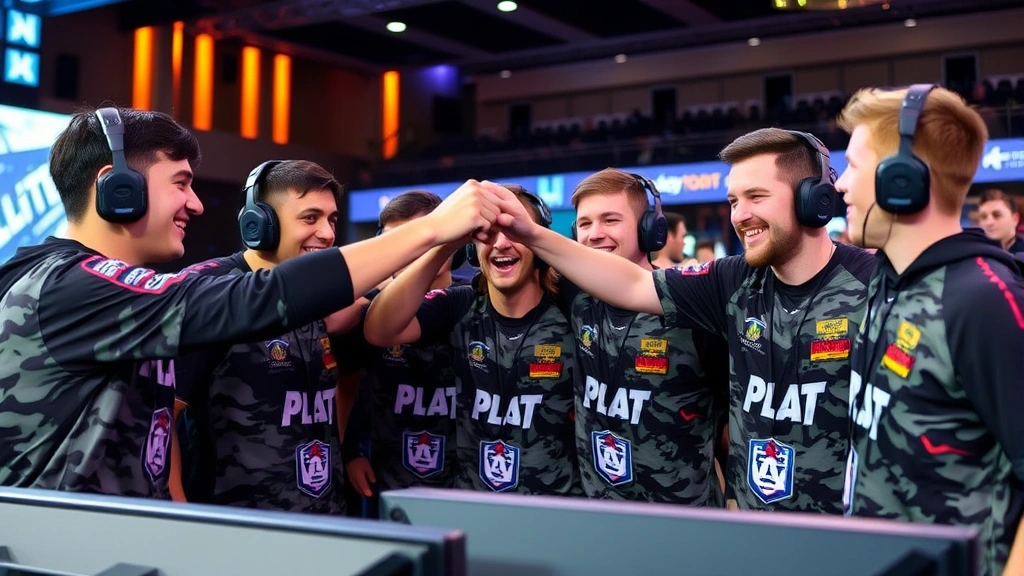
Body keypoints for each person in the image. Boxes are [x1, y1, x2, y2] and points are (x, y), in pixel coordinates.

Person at [0, 106, 509, 498]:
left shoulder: (101, 289)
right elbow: (259, 295)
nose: (196, 204)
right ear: (117, 190)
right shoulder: (69, 287)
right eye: (180, 184)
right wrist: (435, 229)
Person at [493, 128, 875, 513]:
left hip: (840, 531)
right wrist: (530, 234)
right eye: (733, 200)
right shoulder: (731, 280)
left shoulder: (874, 284)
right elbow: (633, 285)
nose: (740, 215)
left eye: (756, 197)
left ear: (814, 198)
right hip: (752, 531)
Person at [835, 84, 1024, 576]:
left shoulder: (982, 300)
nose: (840, 186)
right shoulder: (885, 280)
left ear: (904, 177)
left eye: (854, 166)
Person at [363, 185, 582, 496]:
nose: (501, 244)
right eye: (488, 234)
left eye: (515, 232)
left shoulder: (570, 307)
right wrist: (443, 244)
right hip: (475, 509)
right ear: (471, 248)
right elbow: (379, 330)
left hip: (556, 510)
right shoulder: (460, 304)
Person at [169, 160, 357, 514]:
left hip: (327, 522)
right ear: (261, 224)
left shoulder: (321, 293)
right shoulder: (211, 290)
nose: (328, 233)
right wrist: (181, 520)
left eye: (331, 219)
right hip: (237, 528)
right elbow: (163, 417)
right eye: (310, 217)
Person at [561, 168, 728, 505]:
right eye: (584, 224)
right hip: (600, 519)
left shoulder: (690, 306)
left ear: (649, 229)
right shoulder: (572, 298)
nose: (594, 234)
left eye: (610, 220)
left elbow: (728, 421)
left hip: (682, 521)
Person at [341, 190, 461, 517]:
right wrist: (351, 452)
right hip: (389, 478)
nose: (407, 253)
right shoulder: (367, 309)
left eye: (420, 239)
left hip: (466, 482)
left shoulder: (476, 301)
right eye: (397, 243)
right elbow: (349, 382)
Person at [976, 188, 1024, 253]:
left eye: (997, 215)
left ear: (1015, 219)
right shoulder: (974, 255)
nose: (989, 222)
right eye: (984, 217)